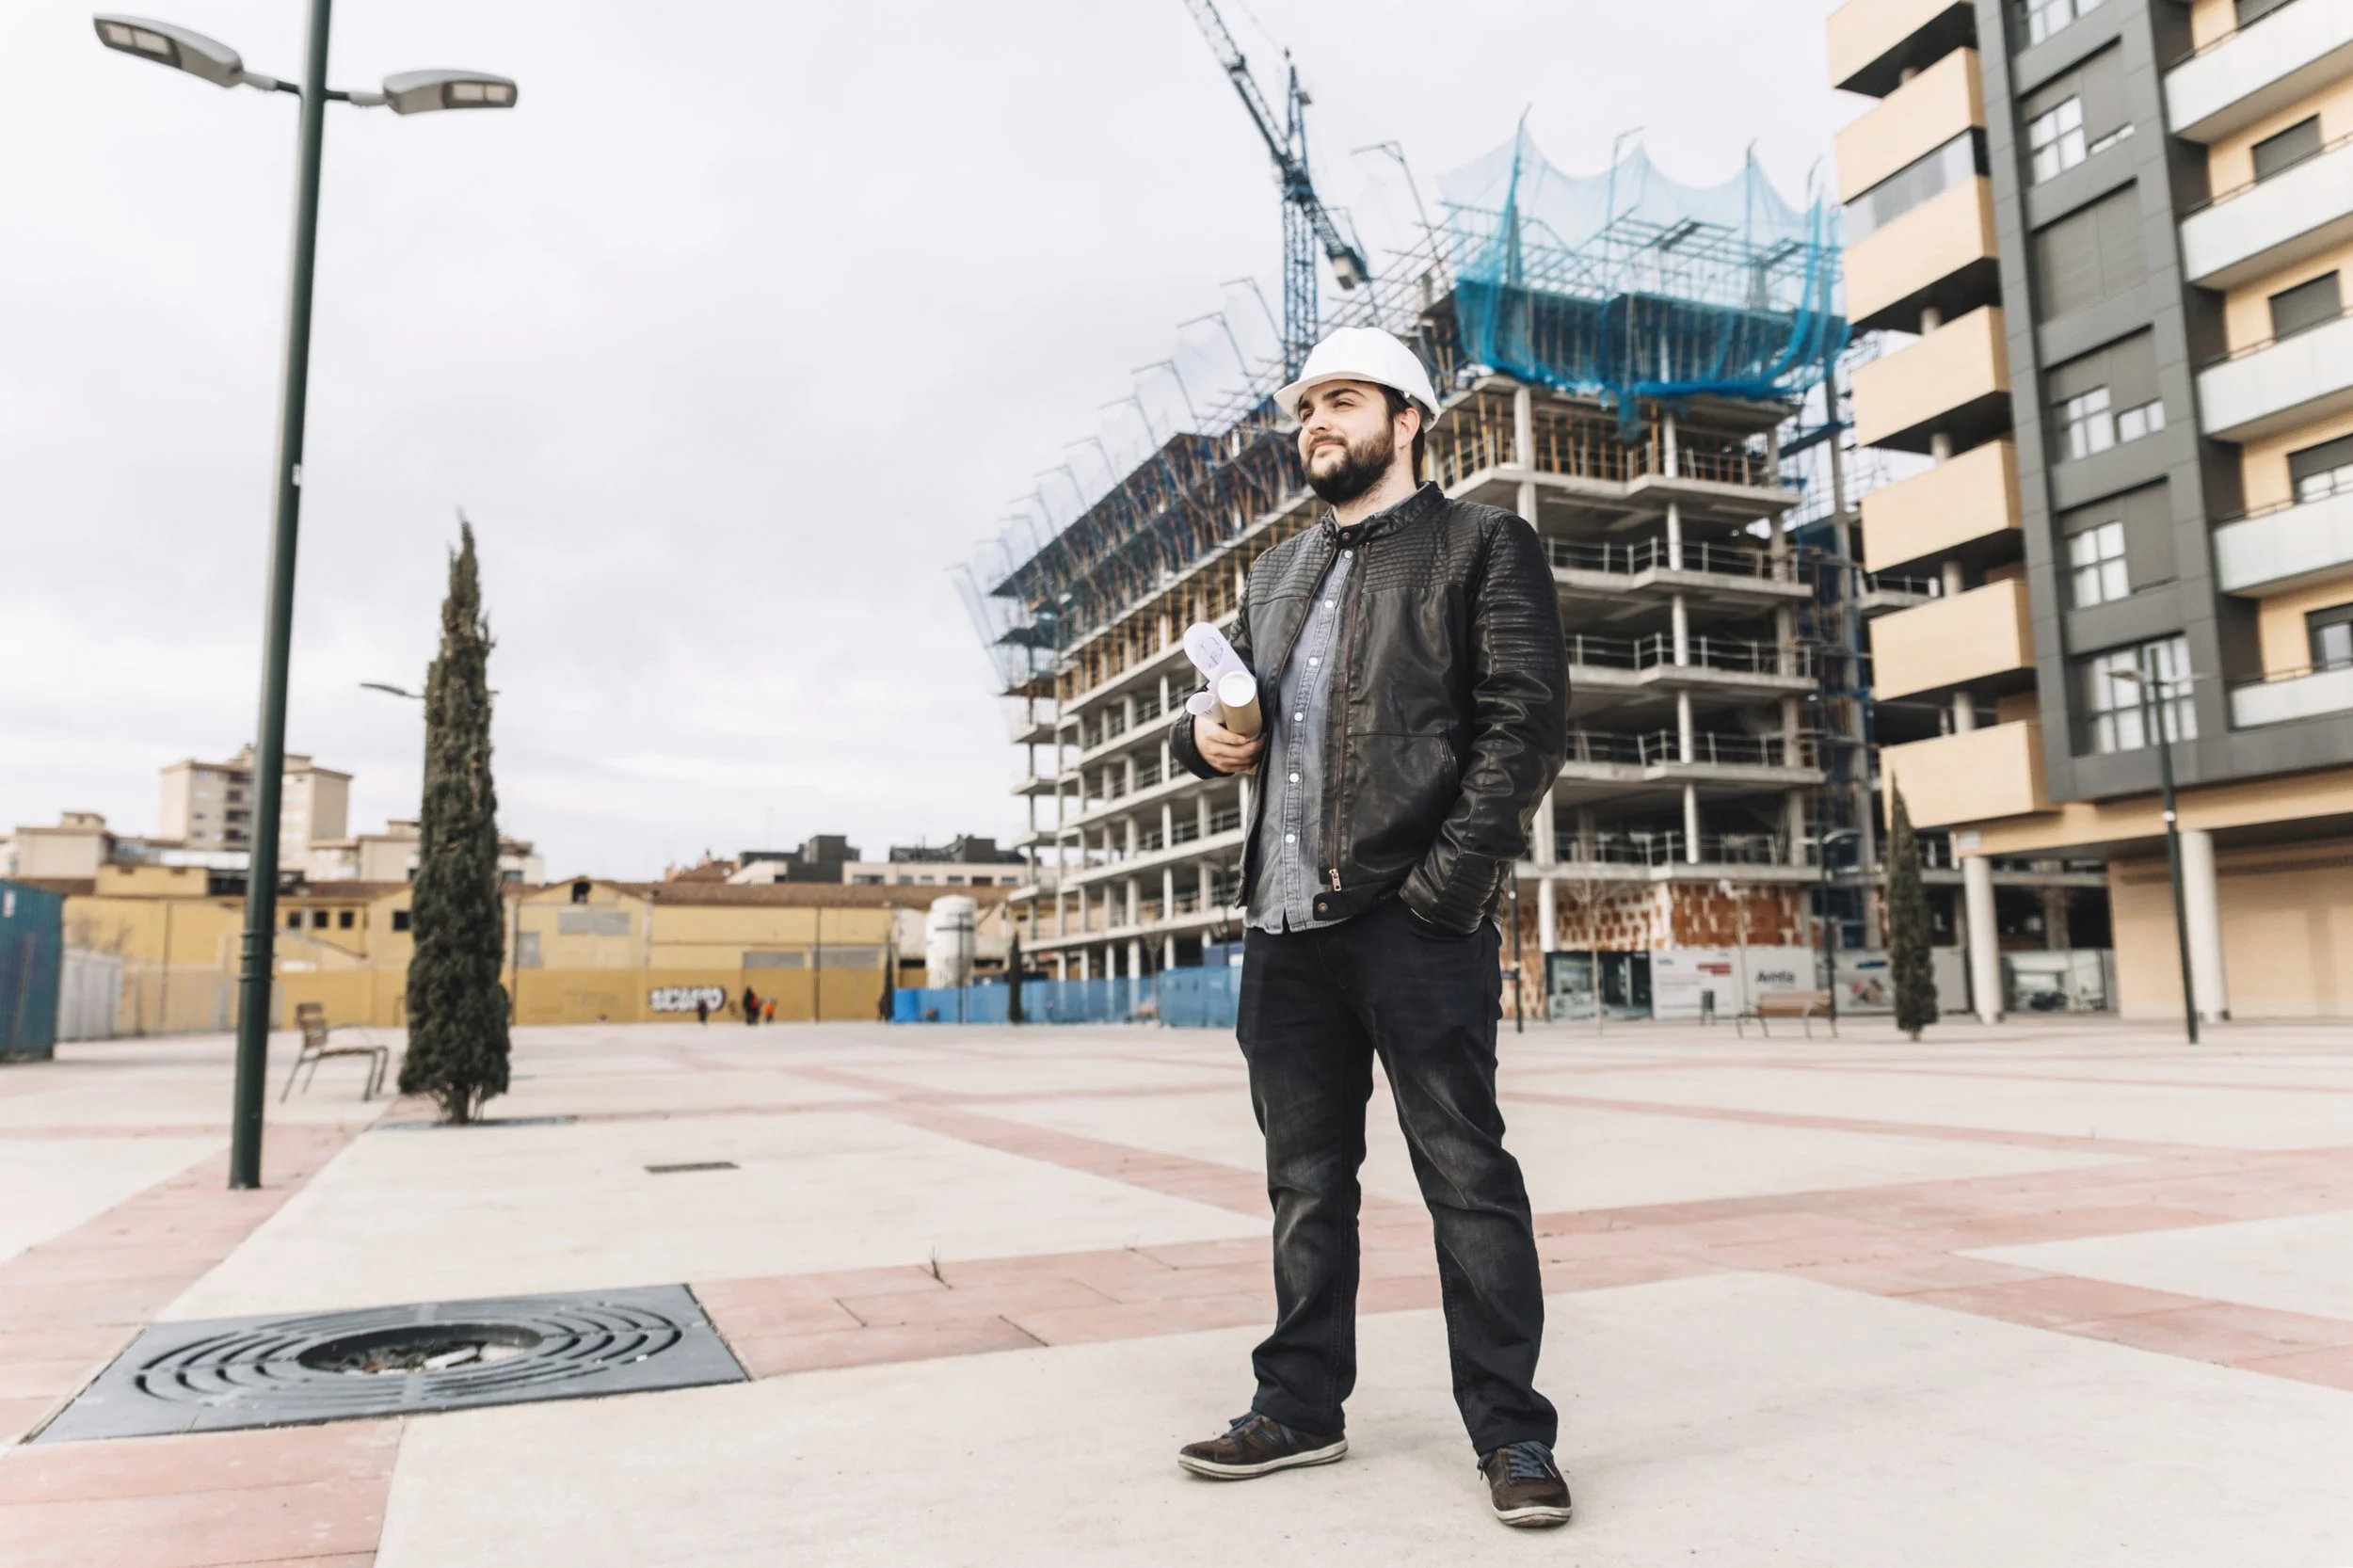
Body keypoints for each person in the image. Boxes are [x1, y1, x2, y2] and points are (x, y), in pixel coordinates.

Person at [1167, 327, 1572, 1529]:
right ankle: (1298, 1406)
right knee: (1304, 1182)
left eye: (1340, 402)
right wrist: (1203, 739)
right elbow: (1212, 719)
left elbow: (1523, 728)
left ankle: (1511, 1433)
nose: (1314, 426)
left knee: (1465, 1179)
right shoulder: (1277, 576)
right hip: (1285, 928)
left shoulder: (1481, 544)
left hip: (1414, 919)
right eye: (1303, 411)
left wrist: (1444, 892)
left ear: (1408, 420)